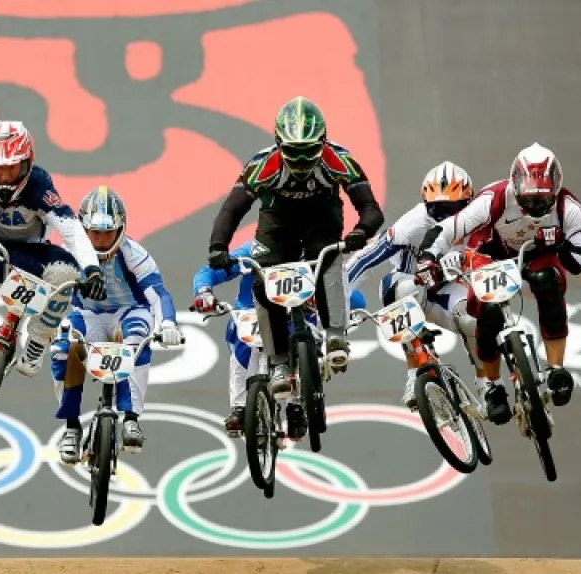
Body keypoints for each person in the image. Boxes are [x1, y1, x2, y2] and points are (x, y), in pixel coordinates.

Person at [206, 95, 384, 401]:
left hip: (321, 218)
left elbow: (370, 209)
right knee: (263, 283)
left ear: (323, 142)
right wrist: (217, 246)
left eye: (309, 152)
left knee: (327, 259)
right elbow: (231, 210)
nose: (301, 162)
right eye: (293, 152)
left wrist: (360, 231)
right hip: (278, 222)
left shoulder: (339, 159)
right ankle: (278, 363)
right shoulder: (261, 165)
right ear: (278, 143)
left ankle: (336, 336)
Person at [416, 143, 581, 424]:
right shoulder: (494, 198)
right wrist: (428, 257)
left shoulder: (568, 208)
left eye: (543, 201)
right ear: (515, 188)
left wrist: (561, 245)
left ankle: (556, 368)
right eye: (529, 201)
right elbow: (449, 228)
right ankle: (492, 384)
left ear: (556, 190)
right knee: (487, 310)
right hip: (491, 253)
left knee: (547, 282)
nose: (535, 208)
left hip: (538, 254)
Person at [0, 121, 106, 382]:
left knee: (67, 271)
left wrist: (93, 270)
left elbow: (72, 230)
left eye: (12, 168)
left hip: (30, 258)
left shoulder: (40, 185)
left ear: (27, 163)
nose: (5, 178)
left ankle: (38, 341)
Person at [48, 186, 183, 464]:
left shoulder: (134, 253)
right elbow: (51, 292)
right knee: (62, 349)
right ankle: (71, 428)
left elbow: (158, 293)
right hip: (88, 315)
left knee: (136, 339)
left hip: (129, 311)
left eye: (108, 232)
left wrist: (168, 322)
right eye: (94, 233)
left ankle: (131, 419)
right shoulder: (67, 253)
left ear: (121, 228)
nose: (100, 240)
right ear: (83, 230)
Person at [191, 239, 367, 438]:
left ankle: (297, 405)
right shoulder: (255, 250)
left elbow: (347, 293)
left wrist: (346, 304)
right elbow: (210, 271)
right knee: (238, 331)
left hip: (296, 317)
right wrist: (203, 291)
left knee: (307, 336)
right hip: (252, 313)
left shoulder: (314, 251)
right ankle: (239, 407)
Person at [343, 161, 483, 410]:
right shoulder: (412, 224)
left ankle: (486, 384)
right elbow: (365, 259)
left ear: (469, 203)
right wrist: (338, 294)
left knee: (472, 320)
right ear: (426, 205)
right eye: (439, 210)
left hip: (445, 291)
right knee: (404, 290)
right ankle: (414, 373)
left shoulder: (478, 218)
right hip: (411, 288)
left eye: (455, 209)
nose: (448, 218)